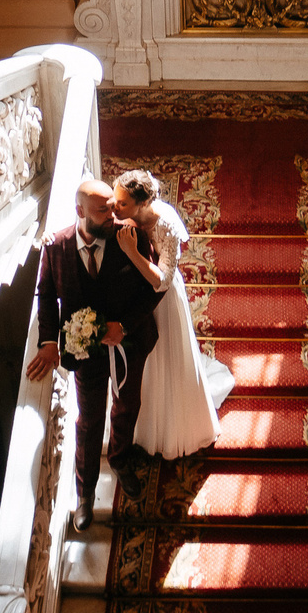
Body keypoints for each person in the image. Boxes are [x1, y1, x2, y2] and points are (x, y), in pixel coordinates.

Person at [27, 179, 160, 531]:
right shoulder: (56, 247)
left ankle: (119, 458)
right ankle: (84, 494)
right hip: (84, 353)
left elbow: (154, 291)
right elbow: (45, 294)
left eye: (113, 206)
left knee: (127, 404)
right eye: (103, 209)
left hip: (128, 346)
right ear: (80, 212)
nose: (112, 214)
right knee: (88, 420)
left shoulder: (130, 236)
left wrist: (125, 327)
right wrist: (48, 342)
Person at [112, 170, 232, 460]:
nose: (114, 208)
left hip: (162, 302)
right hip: (134, 298)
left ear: (140, 204)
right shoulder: (122, 216)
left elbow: (162, 281)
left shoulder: (165, 223)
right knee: (144, 364)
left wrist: (132, 252)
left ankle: (172, 428)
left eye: (122, 204)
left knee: (166, 359)